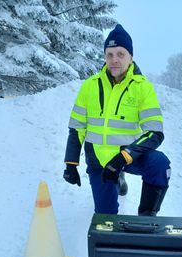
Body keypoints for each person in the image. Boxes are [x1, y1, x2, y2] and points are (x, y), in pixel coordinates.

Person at [63, 24, 171, 216]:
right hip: (98, 160)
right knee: (106, 218)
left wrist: (123, 157)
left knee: (160, 164)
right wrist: (71, 163)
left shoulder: (142, 88)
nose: (114, 60)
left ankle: (147, 217)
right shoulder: (89, 86)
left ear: (130, 58)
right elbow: (77, 128)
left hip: (128, 156)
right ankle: (117, 180)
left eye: (120, 54)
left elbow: (155, 132)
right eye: (109, 54)